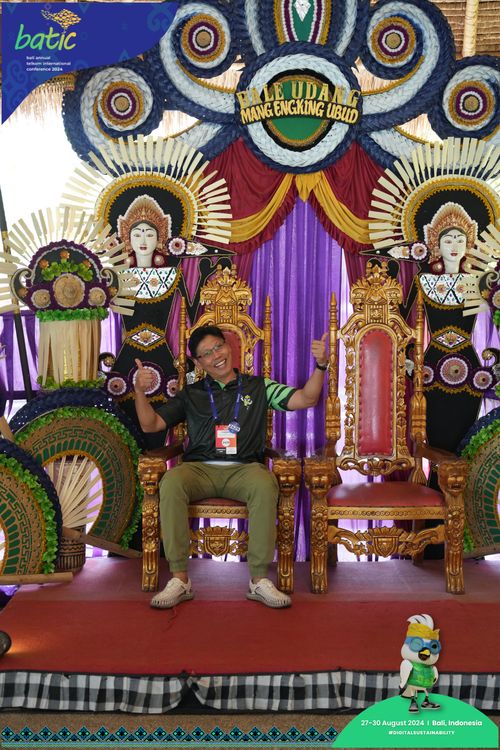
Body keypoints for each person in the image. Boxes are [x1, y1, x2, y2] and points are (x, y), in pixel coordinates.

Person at [134, 325, 328, 609]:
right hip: (199, 469)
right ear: (198, 362)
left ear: (229, 347)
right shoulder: (191, 394)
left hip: (244, 469)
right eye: (207, 354)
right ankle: (180, 579)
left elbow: (306, 398)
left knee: (264, 484)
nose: (216, 356)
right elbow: (150, 425)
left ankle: (259, 579)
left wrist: (321, 365)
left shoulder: (259, 387)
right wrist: (140, 391)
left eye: (218, 347)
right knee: (171, 481)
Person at [117, 195, 171, 268]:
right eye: (137, 235)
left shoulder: (169, 269)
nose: (143, 242)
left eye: (149, 235)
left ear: (159, 239)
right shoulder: (120, 269)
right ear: (128, 239)